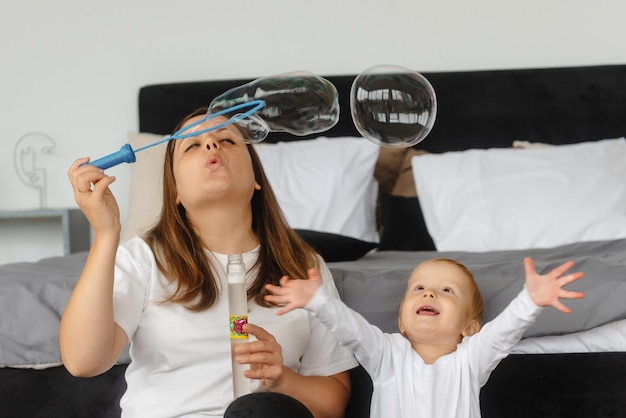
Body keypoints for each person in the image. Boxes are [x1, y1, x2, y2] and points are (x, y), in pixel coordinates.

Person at [60, 107, 358, 418]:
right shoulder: (142, 259)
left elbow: (333, 404)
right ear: (174, 190)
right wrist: (107, 234)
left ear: (256, 178)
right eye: (191, 144)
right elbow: (83, 362)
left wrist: (282, 378)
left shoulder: (303, 266)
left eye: (227, 140)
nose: (211, 145)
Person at [265, 257, 585, 418]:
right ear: (402, 321)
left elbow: (502, 335)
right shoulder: (388, 355)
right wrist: (319, 301)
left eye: (447, 290)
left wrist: (530, 301)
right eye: (418, 288)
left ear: (469, 327)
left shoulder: (470, 360)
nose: (429, 292)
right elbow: (353, 331)